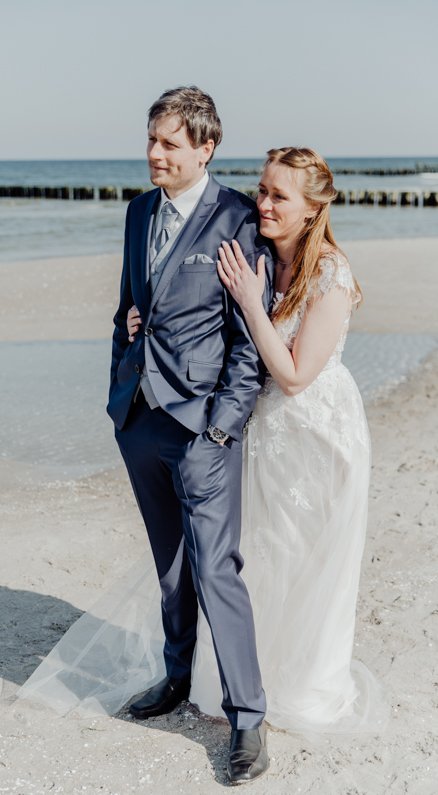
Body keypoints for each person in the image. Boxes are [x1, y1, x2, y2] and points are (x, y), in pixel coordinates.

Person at [133, 146, 387, 736]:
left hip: (318, 433)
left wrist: (252, 303)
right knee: (263, 554)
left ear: (312, 208)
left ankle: (300, 684)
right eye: (261, 189)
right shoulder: (261, 255)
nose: (262, 203)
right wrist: (145, 325)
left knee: (305, 559)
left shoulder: (330, 272)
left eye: (279, 196)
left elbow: (295, 376)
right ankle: (247, 677)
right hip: (264, 430)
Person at [108, 86, 276, 782]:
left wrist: (220, 431)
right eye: (151, 139)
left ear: (205, 148)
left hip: (203, 427)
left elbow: (247, 342)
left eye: (169, 143)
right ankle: (177, 678)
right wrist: (122, 361)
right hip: (139, 418)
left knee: (216, 570)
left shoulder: (238, 217)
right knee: (171, 567)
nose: (153, 154)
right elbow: (126, 305)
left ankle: (246, 720)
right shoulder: (137, 209)